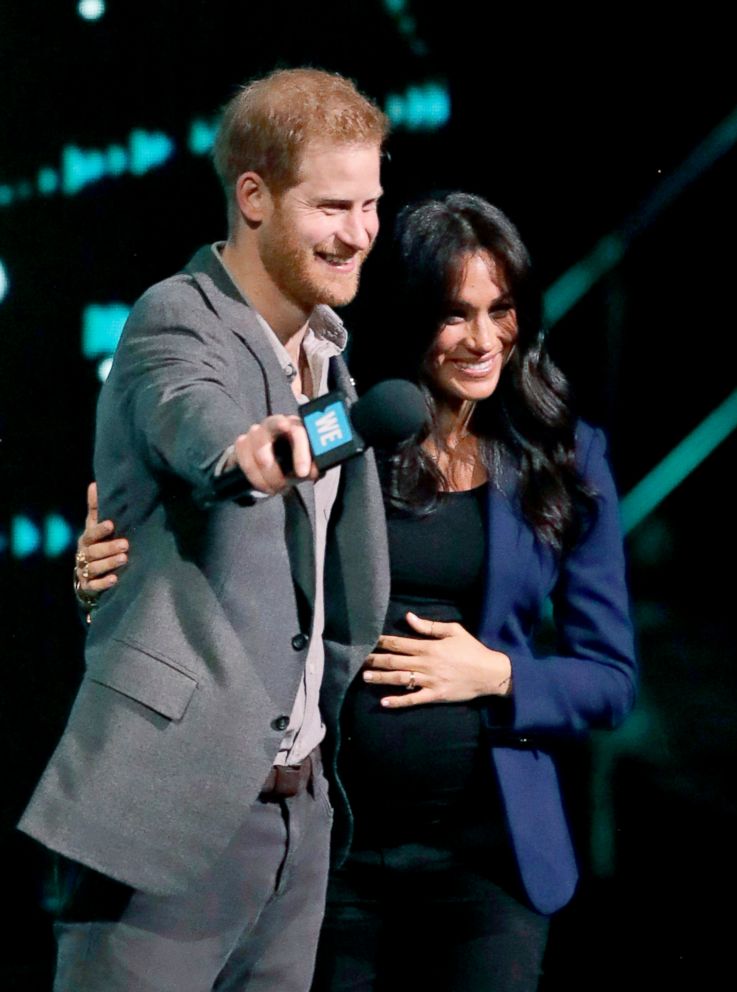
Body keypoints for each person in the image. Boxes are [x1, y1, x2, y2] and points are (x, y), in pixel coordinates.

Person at [78, 192, 637, 992]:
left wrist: (499, 675)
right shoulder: (352, 428)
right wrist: (108, 575)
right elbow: (223, 542)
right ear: (410, 317)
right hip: (329, 860)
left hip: (486, 869)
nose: (483, 340)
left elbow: (609, 679)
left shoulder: (567, 457)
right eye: (454, 315)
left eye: (501, 309)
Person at [19, 68, 391, 992]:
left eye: (372, 204)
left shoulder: (327, 353)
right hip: (169, 815)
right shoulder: (173, 319)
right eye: (333, 206)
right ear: (254, 197)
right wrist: (249, 453)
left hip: (298, 821)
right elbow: (199, 421)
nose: (358, 233)